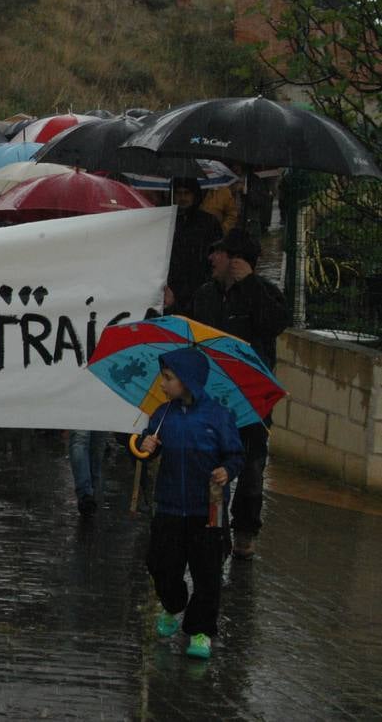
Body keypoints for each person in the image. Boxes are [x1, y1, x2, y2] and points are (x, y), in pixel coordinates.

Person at [190, 229, 290, 559]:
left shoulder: (265, 293)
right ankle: (215, 528)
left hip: (251, 404)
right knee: (214, 467)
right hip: (212, 399)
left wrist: (249, 286)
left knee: (250, 470)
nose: (210, 258)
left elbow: (274, 324)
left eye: (217, 253)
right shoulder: (205, 294)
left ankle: (245, 530)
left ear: (236, 260)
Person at [139, 348, 244, 660]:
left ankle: (200, 630)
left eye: (168, 378)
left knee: (207, 573)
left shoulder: (218, 417)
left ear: (187, 381)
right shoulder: (162, 415)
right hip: (169, 505)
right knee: (160, 564)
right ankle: (173, 605)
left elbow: (236, 455)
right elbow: (145, 449)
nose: (162, 384)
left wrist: (228, 470)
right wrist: (145, 447)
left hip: (208, 510)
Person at [162, 178, 223, 316]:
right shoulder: (166, 222)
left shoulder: (209, 223)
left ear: (195, 195)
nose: (182, 198)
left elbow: (218, 257)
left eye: (187, 193)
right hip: (172, 292)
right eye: (178, 193)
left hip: (200, 289)